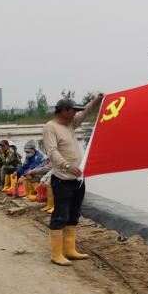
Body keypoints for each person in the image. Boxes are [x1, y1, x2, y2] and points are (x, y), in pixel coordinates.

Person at [43, 95, 104, 266]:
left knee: (73, 214)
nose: (76, 114)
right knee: (60, 215)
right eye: (73, 111)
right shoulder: (51, 127)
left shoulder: (69, 124)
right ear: (64, 111)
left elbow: (85, 113)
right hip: (63, 179)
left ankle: (69, 250)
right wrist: (67, 166)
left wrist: (97, 100)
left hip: (77, 179)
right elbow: (52, 152)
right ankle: (56, 254)